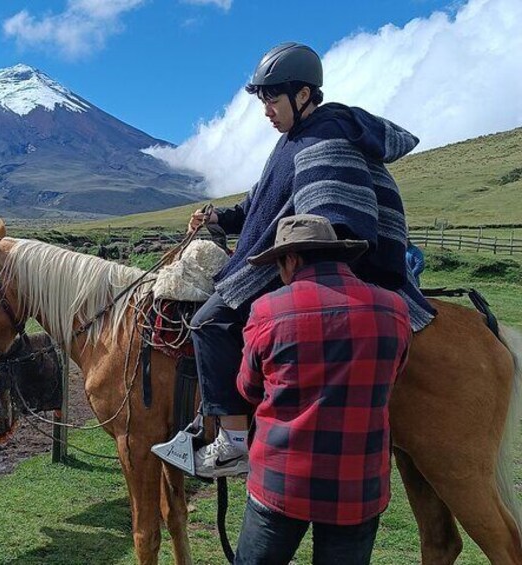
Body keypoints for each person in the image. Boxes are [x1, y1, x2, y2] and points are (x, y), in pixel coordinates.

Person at [176, 42, 434, 479]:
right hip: (291, 255)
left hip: (315, 265)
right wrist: (220, 216)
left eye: (272, 99)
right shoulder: (292, 142)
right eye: (262, 101)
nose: (265, 111)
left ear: (303, 95)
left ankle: (234, 443)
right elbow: (261, 206)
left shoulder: (326, 137)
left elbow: (335, 225)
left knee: (208, 321)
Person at [233, 214, 411, 564]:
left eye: (279, 265)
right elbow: (393, 376)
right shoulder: (394, 308)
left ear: (292, 259)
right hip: (358, 485)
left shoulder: (267, 310)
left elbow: (248, 388)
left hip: (280, 480)